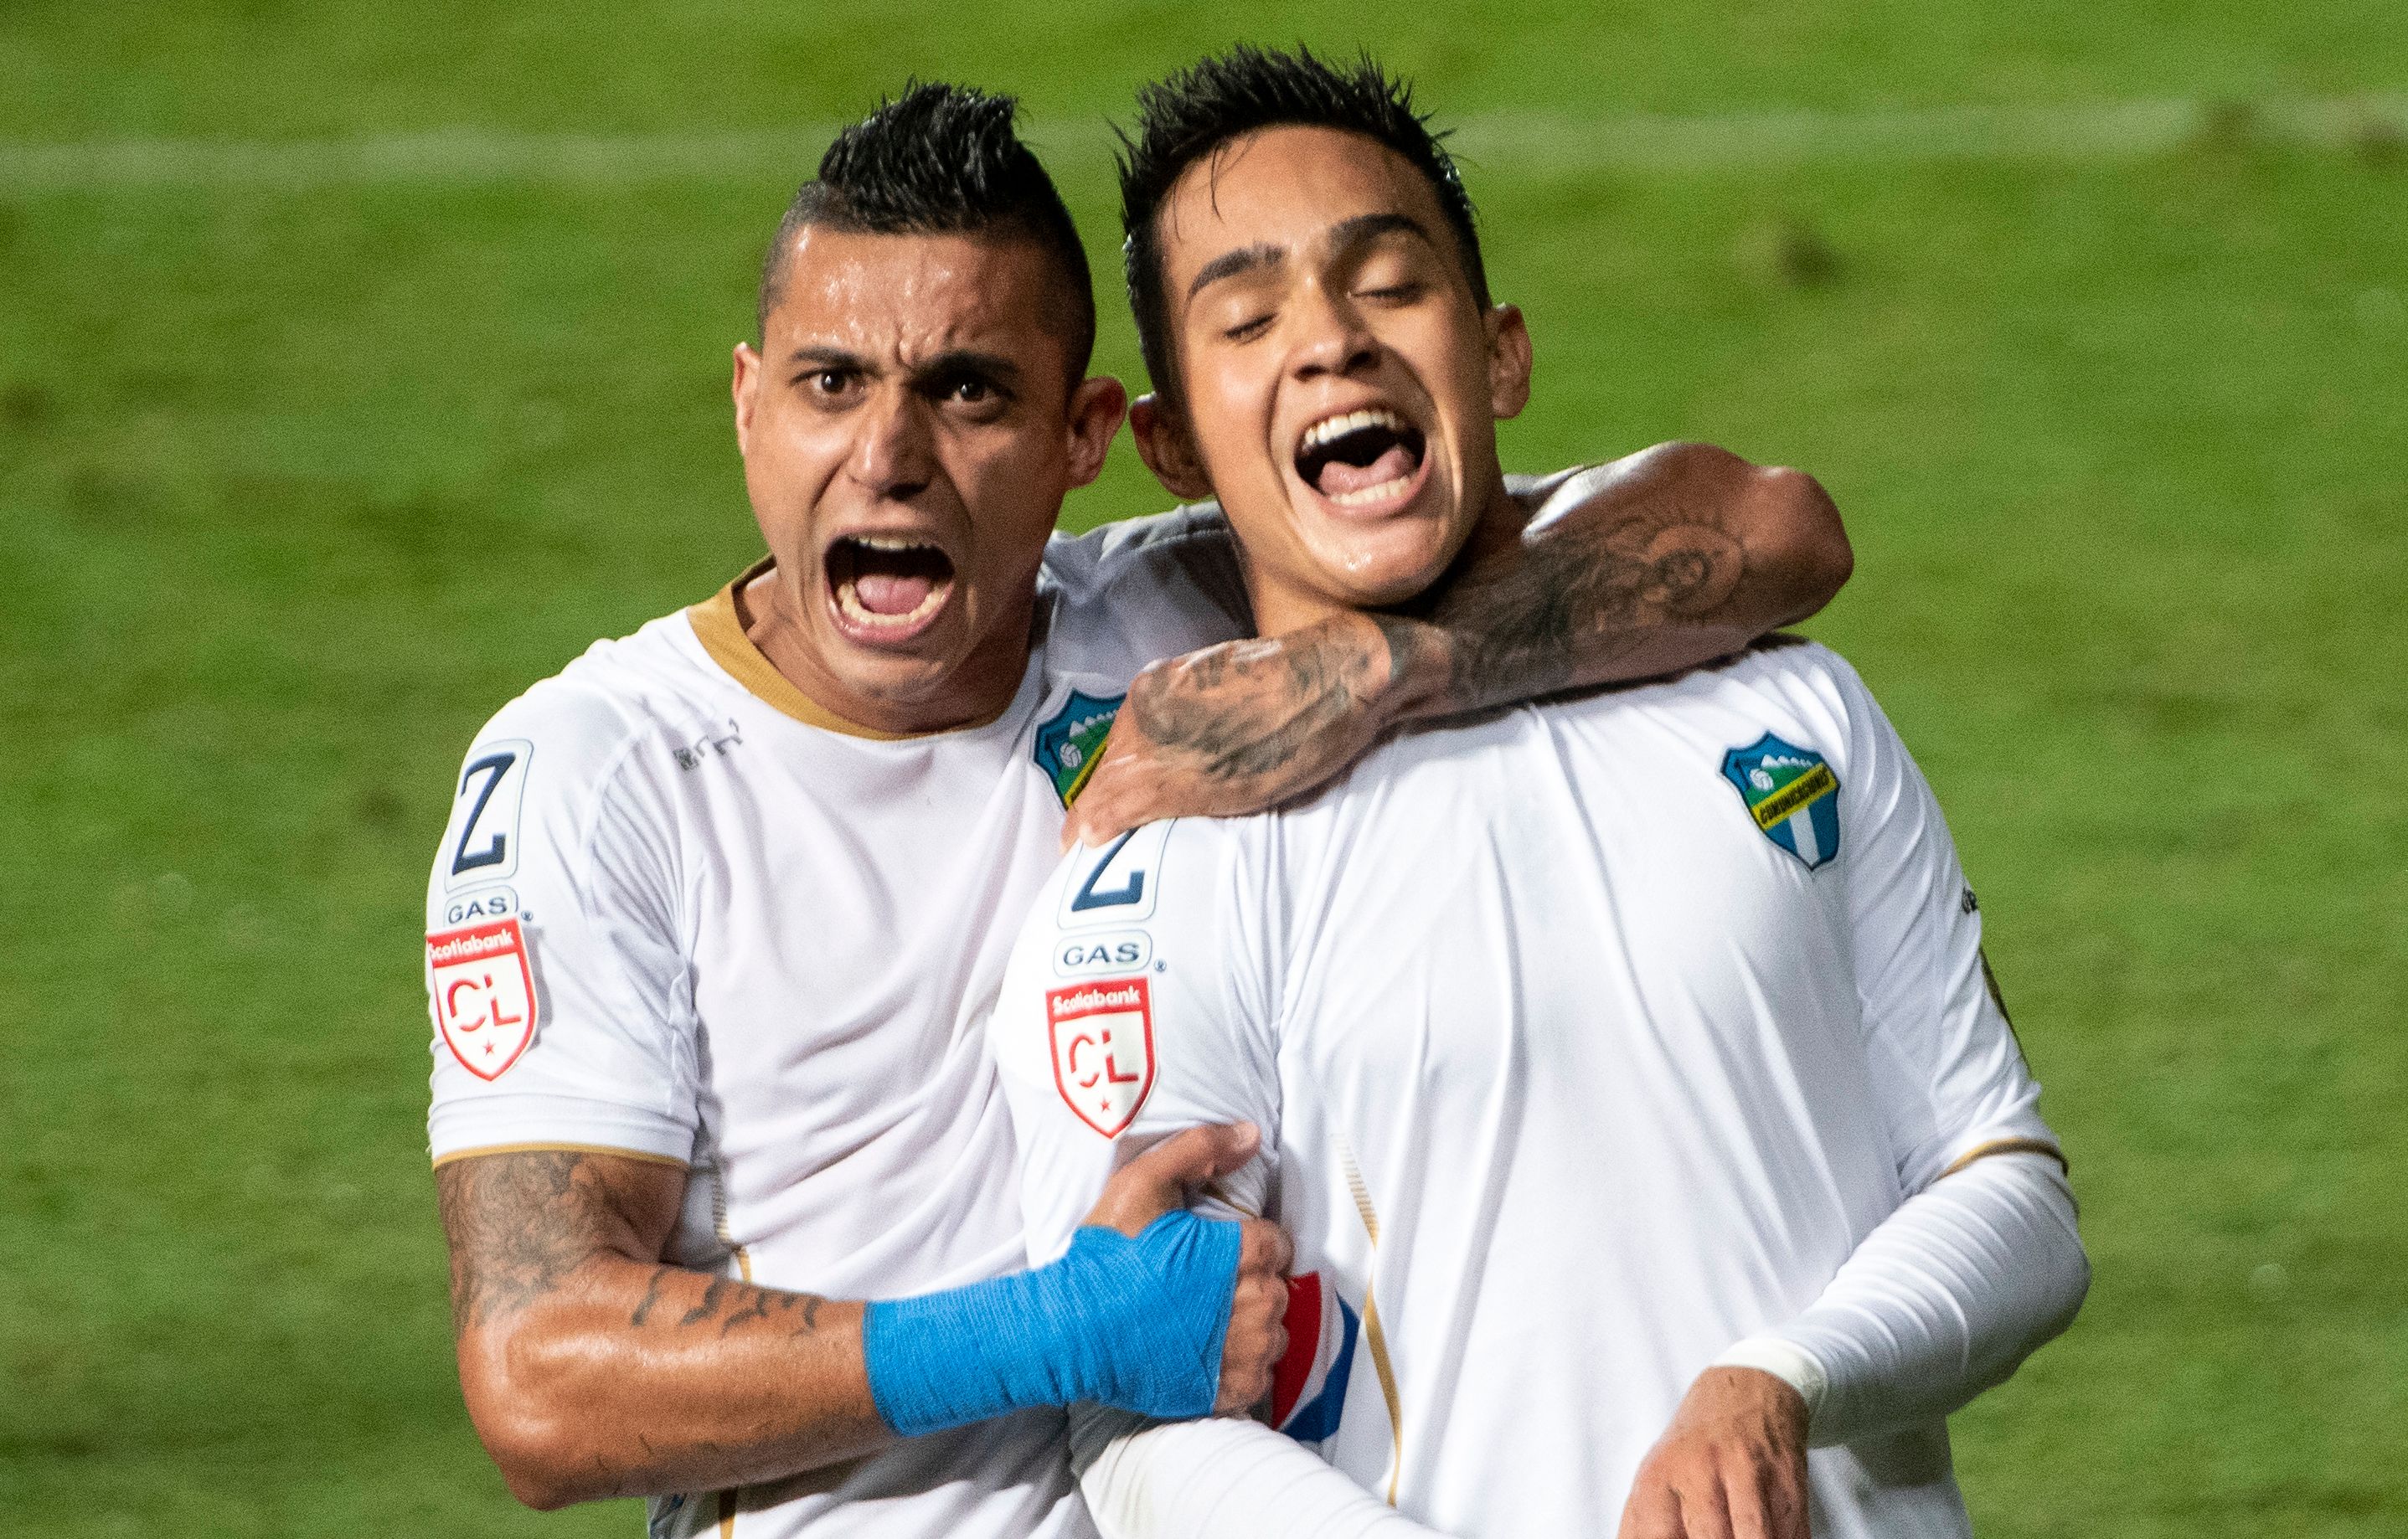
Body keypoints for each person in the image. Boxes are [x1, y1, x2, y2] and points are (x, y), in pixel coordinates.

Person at [424, 84, 1852, 1539]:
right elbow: (537, 1377)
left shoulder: (1179, 618)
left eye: (969, 391)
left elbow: (1770, 528)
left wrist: (1378, 669)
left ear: (1086, 432)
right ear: (748, 403)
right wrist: (1052, 1332)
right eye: (831, 383)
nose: (889, 456)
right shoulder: (604, 773)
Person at [993, 48, 2091, 1539]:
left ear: (1500, 355)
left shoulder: (1787, 710)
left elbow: (2009, 1191)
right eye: (1249, 319)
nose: (1333, 342)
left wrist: (1777, 1380)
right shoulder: (1162, 858)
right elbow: (1134, 1433)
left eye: (1389, 285)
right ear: (1172, 444)